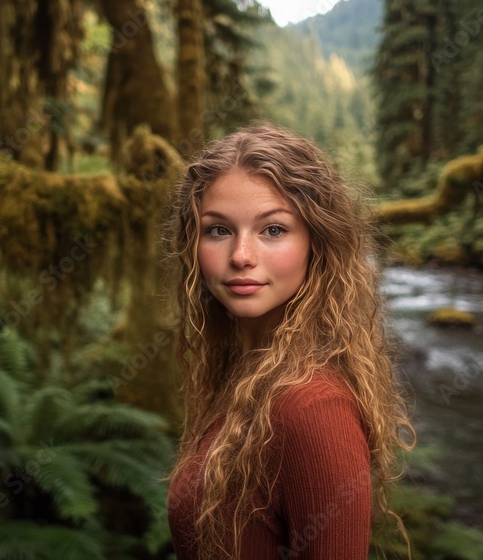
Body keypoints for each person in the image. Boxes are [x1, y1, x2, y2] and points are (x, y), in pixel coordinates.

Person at [163, 121, 414, 559]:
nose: (241, 256)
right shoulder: (243, 373)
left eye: (273, 230)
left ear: (317, 243)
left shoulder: (311, 408)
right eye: (218, 230)